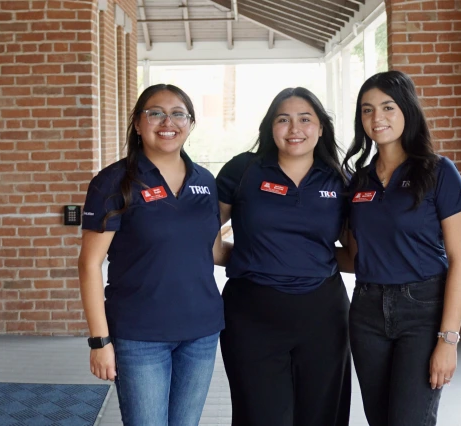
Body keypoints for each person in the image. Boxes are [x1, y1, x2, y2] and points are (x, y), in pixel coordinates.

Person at [78, 83, 229, 426]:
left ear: (190, 123)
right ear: (137, 123)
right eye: (155, 113)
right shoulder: (114, 182)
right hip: (139, 335)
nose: (167, 122)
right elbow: (89, 264)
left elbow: (214, 250)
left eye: (178, 114)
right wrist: (100, 340)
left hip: (201, 331)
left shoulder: (205, 181)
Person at [341, 70, 461, 426]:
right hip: (366, 311)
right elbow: (355, 254)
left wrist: (449, 340)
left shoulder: (439, 172)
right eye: (367, 110)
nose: (377, 118)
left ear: (407, 111)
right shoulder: (359, 181)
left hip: (423, 311)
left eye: (387, 107)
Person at [216, 87, 351, 426]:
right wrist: (249, 258)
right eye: (284, 119)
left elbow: (354, 252)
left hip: (324, 316)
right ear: (270, 127)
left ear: (320, 128)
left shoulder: (339, 178)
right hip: (251, 316)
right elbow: (203, 236)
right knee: (260, 416)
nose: (295, 129)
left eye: (305, 119)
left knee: (322, 416)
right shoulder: (243, 170)